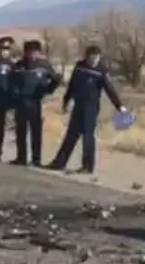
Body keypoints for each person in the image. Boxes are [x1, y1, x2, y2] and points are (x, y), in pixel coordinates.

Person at [48, 45, 129, 173]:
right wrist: (66, 100)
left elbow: (110, 90)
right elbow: (72, 84)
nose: (94, 60)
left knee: (88, 136)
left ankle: (88, 166)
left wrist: (120, 106)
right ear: (87, 57)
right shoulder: (80, 66)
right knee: (71, 134)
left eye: (96, 58)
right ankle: (59, 162)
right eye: (91, 58)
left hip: (91, 107)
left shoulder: (102, 71)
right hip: (78, 104)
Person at [9, 39, 62, 166]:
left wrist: (48, 90)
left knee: (36, 131)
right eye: (29, 52)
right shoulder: (19, 65)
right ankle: (21, 158)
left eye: (34, 52)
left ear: (38, 53)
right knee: (20, 131)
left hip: (35, 102)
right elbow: (11, 82)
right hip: (20, 102)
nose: (31, 54)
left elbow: (55, 79)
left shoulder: (44, 65)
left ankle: (36, 159)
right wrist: (14, 93)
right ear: (25, 52)